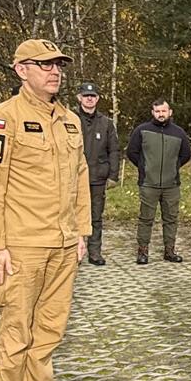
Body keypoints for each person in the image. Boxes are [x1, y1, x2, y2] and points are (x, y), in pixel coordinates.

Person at [0, 39, 91, 381]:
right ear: (20, 70)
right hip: (21, 245)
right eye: (43, 65)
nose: (54, 71)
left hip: (62, 243)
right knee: (16, 328)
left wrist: (81, 233)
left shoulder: (70, 120)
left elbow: (80, 180)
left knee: (50, 328)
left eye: (58, 64)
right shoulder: (2, 119)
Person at [127, 99, 191, 264]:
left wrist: (174, 167)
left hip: (171, 185)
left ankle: (169, 251)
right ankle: (142, 251)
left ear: (170, 112)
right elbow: (132, 152)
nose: (161, 114)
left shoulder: (179, 133)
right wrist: (144, 167)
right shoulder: (142, 130)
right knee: (146, 219)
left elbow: (186, 154)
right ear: (152, 112)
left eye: (164, 111)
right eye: (157, 111)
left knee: (171, 219)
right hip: (149, 183)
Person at [72, 83, 121, 266]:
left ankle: (94, 253)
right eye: (86, 96)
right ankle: (73, 253)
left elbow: (114, 150)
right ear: (79, 98)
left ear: (98, 98)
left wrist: (113, 175)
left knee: (96, 217)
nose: (89, 99)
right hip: (74, 178)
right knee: (72, 216)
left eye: (92, 96)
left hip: (97, 178)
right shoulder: (70, 120)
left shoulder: (106, 123)